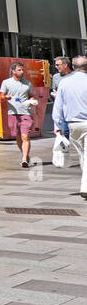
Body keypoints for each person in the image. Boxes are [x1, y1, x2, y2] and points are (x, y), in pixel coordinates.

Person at [51, 55, 87, 198]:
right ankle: (85, 186)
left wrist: (57, 124)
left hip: (73, 125)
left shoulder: (65, 83)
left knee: (82, 154)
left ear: (73, 66)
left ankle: (85, 184)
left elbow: (58, 105)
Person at [0, 61, 39, 169]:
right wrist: (6, 97)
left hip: (26, 112)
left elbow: (31, 95)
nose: (22, 72)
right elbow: (1, 96)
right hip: (12, 113)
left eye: (22, 70)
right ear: (13, 71)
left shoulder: (27, 83)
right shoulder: (6, 83)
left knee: (25, 136)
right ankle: (25, 155)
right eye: (19, 70)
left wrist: (32, 101)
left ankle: (24, 159)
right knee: (17, 136)